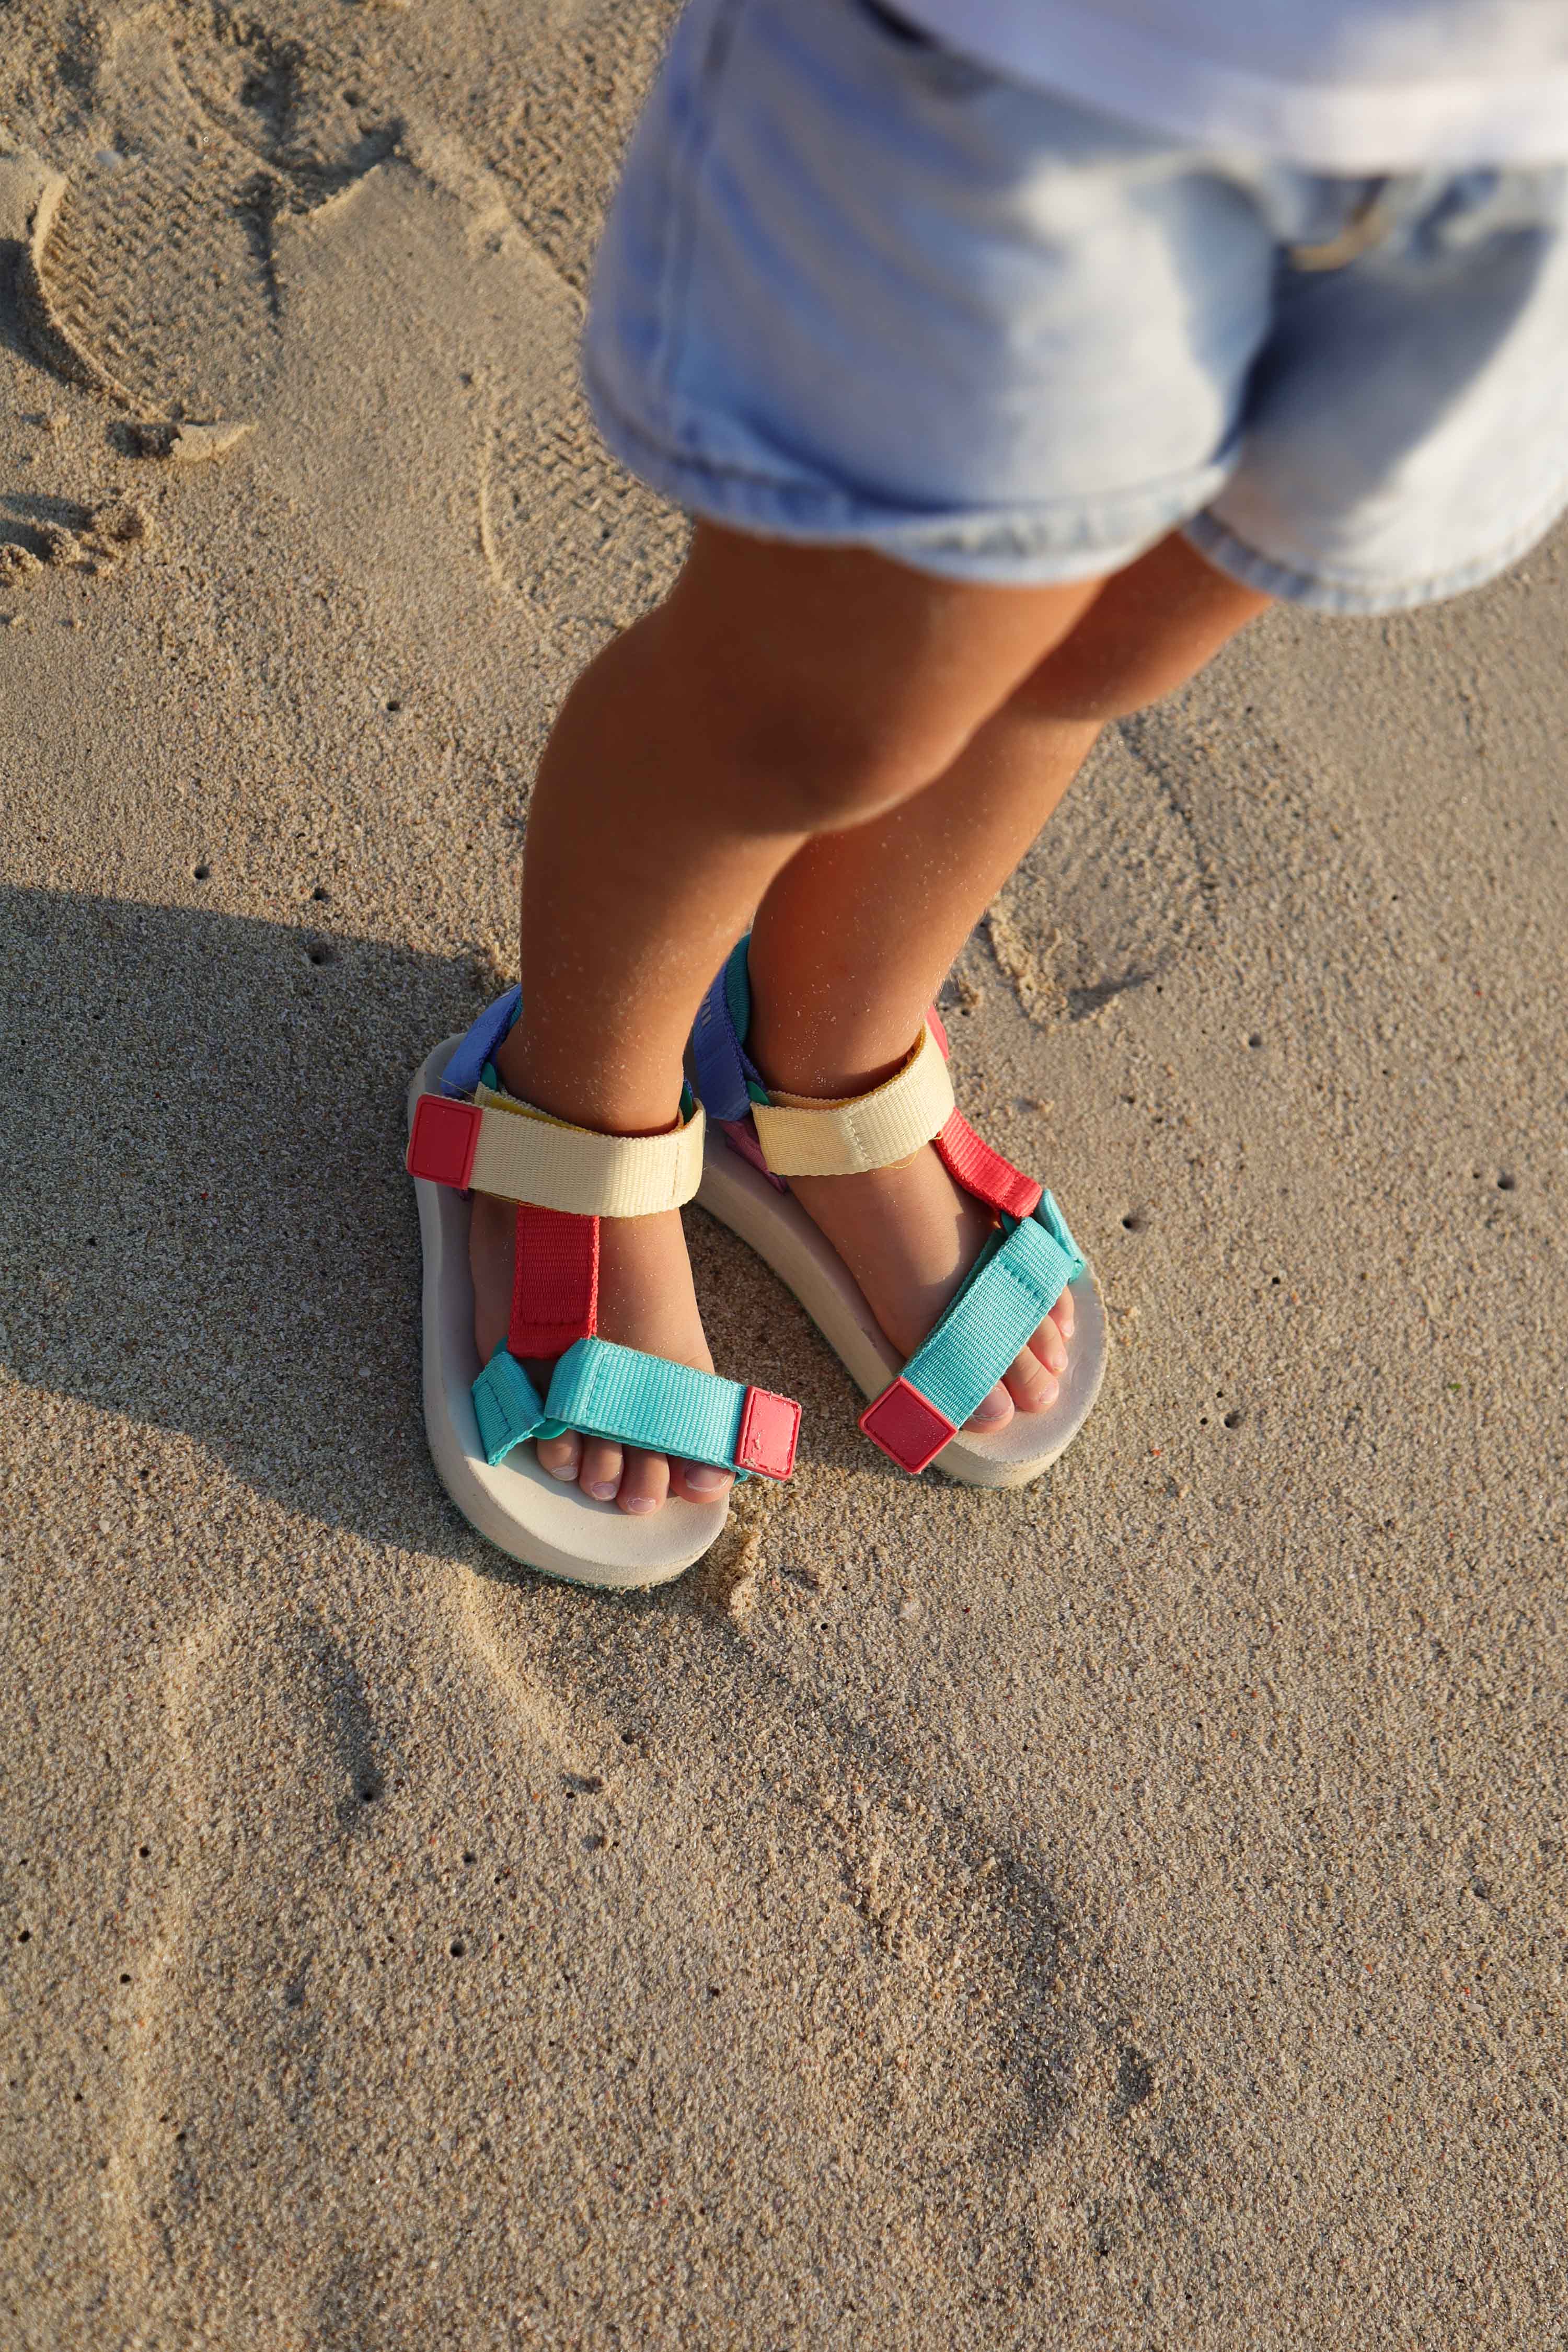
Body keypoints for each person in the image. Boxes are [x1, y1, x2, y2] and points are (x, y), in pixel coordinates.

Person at [444, 0, 1568, 1531]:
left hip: (1506, 126)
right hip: (1066, 62)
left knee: (1112, 639)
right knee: (824, 695)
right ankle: (578, 1091)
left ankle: (820, 1050)